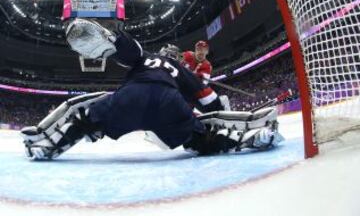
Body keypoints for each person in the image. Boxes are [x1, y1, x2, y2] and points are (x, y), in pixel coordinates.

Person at [20, 19, 284, 160]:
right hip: (169, 103)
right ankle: (252, 140)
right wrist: (208, 120)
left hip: (131, 97)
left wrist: (116, 38)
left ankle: (49, 149)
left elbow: (128, 51)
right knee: (201, 141)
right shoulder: (181, 69)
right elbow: (208, 99)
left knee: (86, 119)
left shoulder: (144, 56)